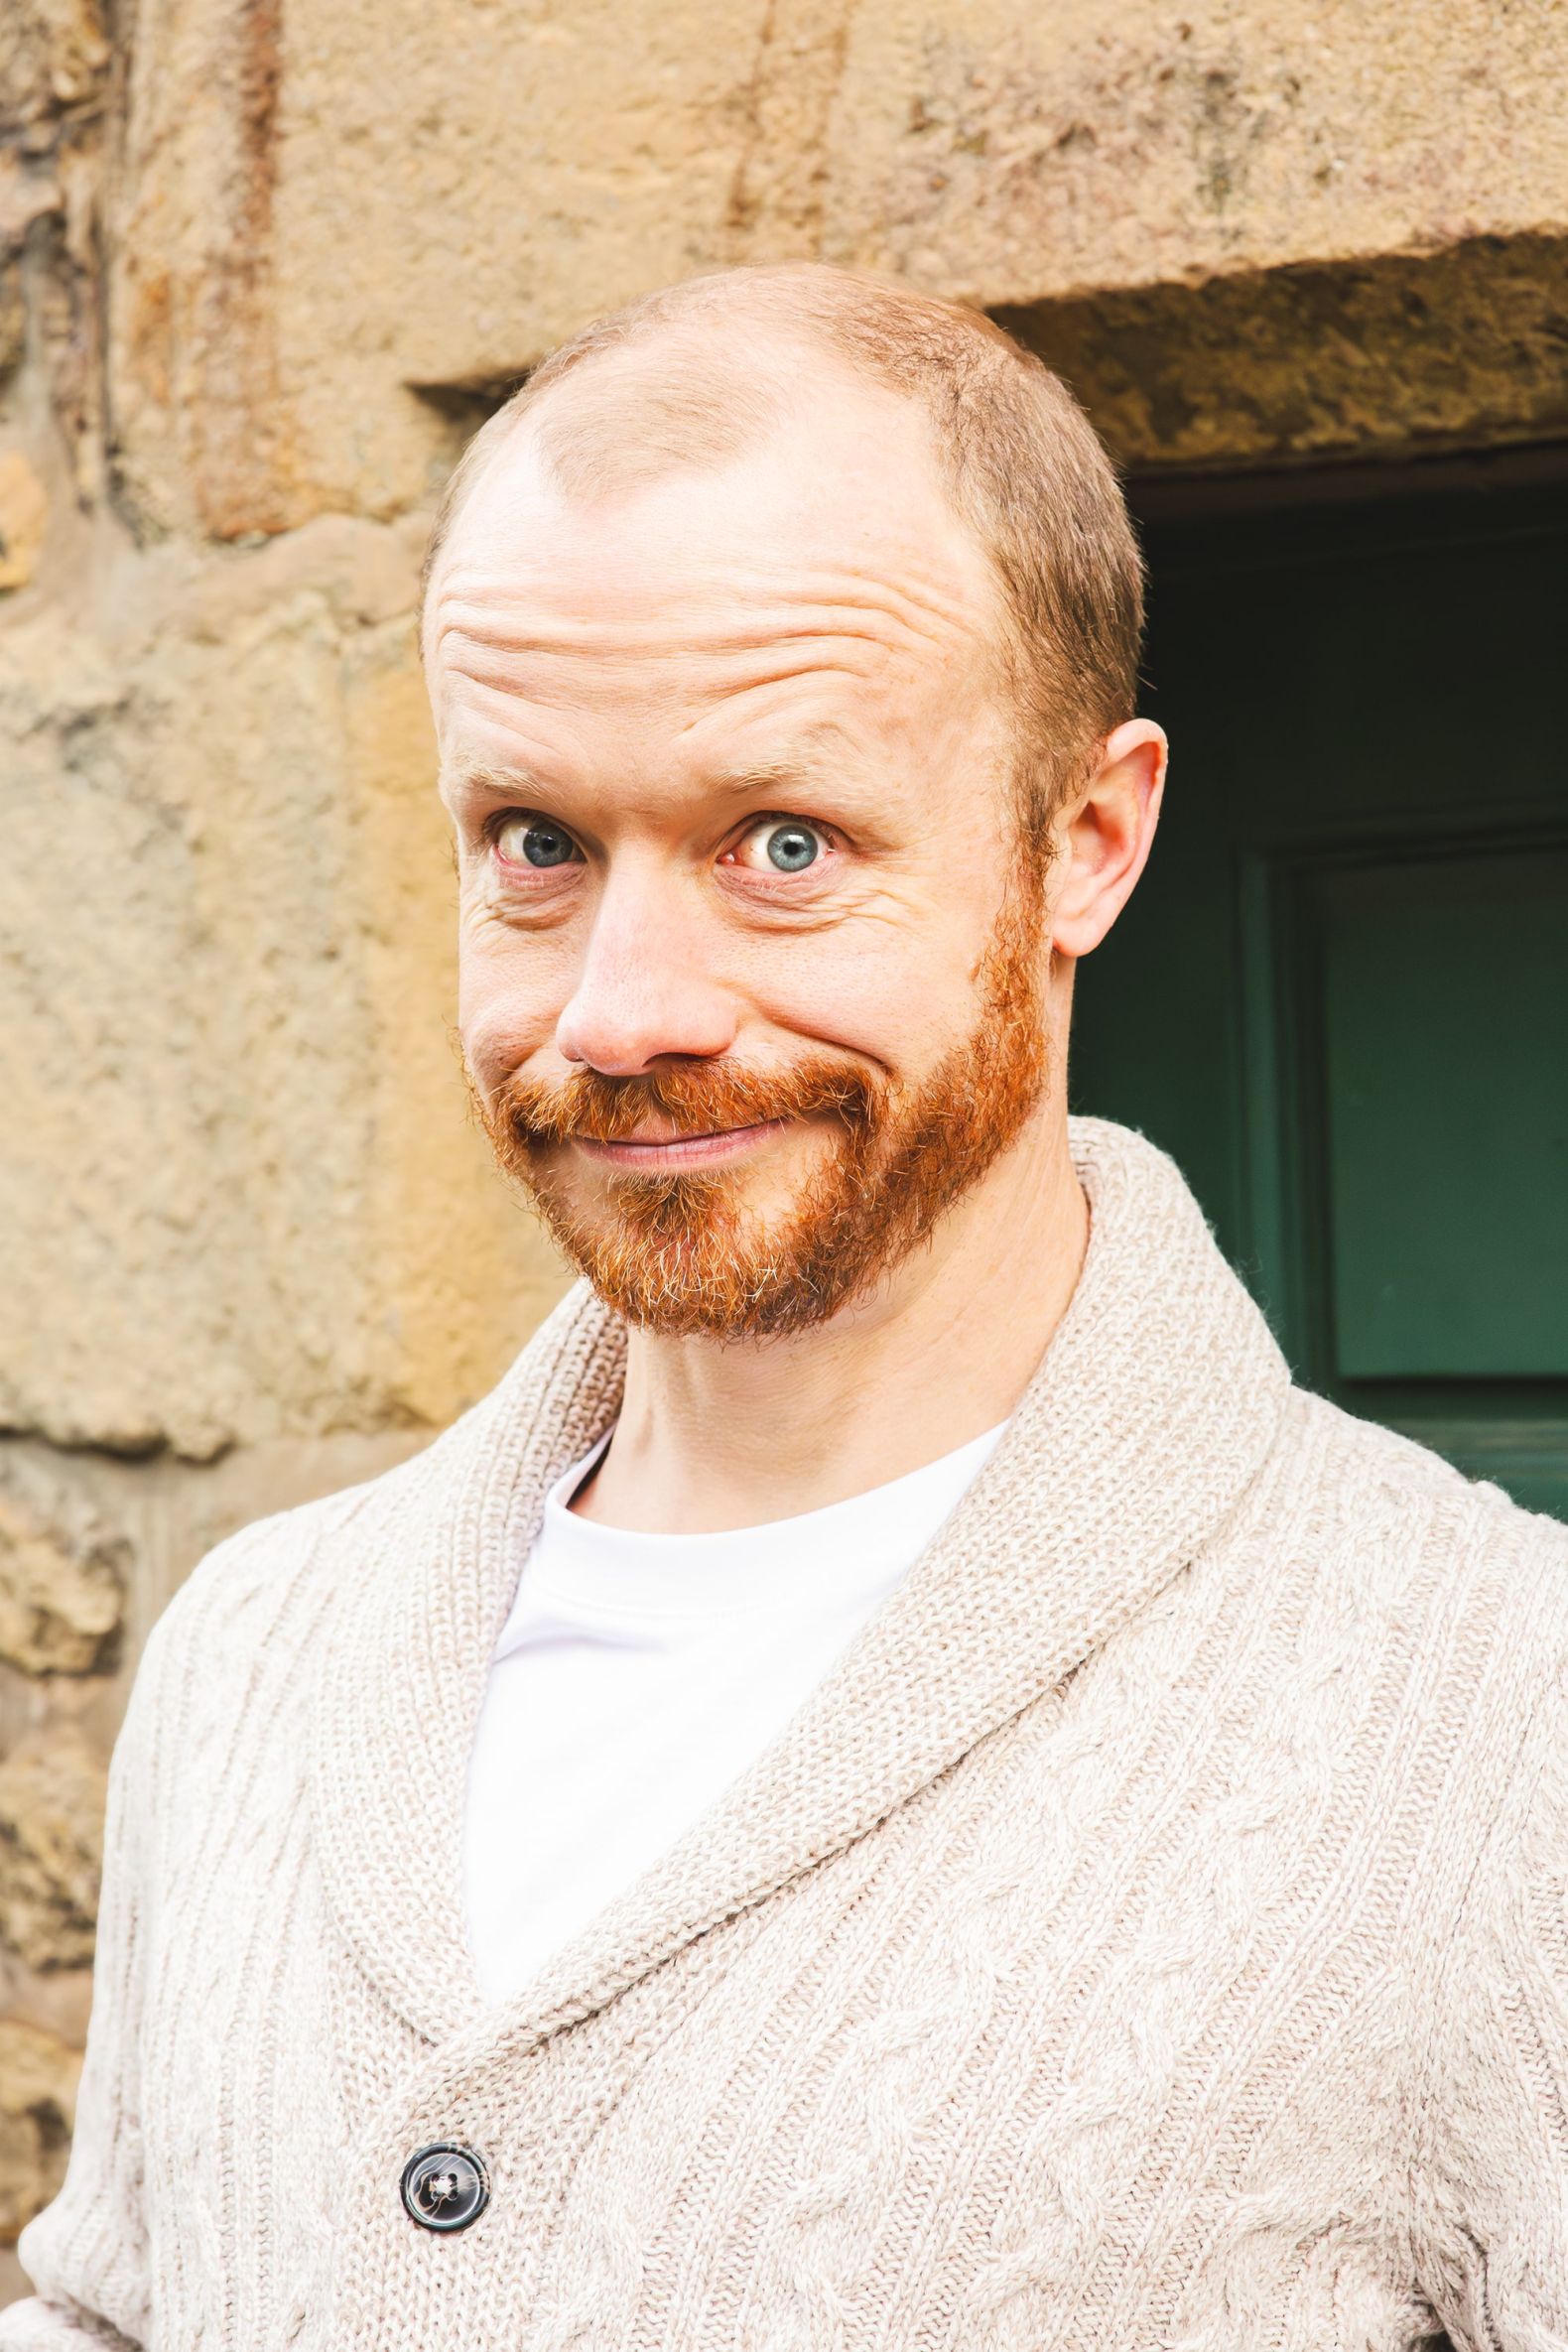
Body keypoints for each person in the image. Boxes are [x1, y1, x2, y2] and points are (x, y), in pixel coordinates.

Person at [7, 263, 1566, 2352]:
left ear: (1083, 841)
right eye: (537, 841)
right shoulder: (255, 1656)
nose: (621, 1015)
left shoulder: (1492, 1720)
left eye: (786, 843)